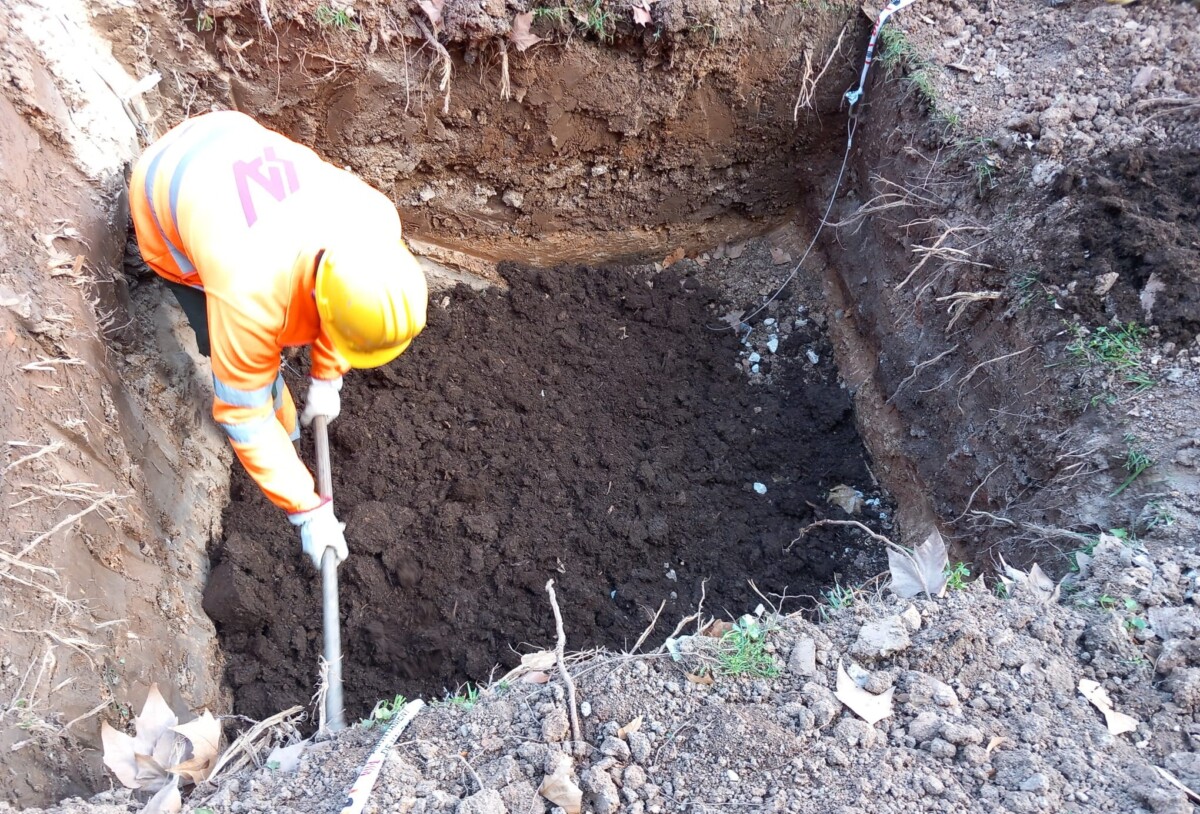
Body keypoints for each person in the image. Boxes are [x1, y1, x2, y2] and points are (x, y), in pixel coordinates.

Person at [129, 110, 427, 570]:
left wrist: (327, 377)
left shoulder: (375, 221)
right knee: (229, 350)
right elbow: (243, 414)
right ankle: (286, 436)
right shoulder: (246, 295)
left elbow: (339, 309)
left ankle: (287, 437)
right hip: (165, 183)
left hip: (229, 136)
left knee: (264, 354)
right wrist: (307, 510)